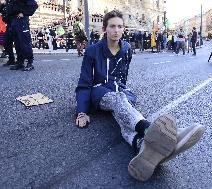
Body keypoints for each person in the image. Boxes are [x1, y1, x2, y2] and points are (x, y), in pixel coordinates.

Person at [75, 10, 205, 181]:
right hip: (99, 93)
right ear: (105, 28)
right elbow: (85, 83)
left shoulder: (127, 49)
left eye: (120, 26)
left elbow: (123, 78)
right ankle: (152, 131)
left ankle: (142, 145)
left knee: (121, 115)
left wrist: (122, 93)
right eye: (112, 26)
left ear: (123, 29)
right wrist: (82, 111)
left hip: (121, 93)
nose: (116, 30)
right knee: (118, 99)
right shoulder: (93, 50)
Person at [8, 0, 38, 71]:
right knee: (17, 43)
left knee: (25, 42)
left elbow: (34, 5)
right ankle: (20, 62)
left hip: (22, 20)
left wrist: (24, 13)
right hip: (14, 21)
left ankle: (30, 63)